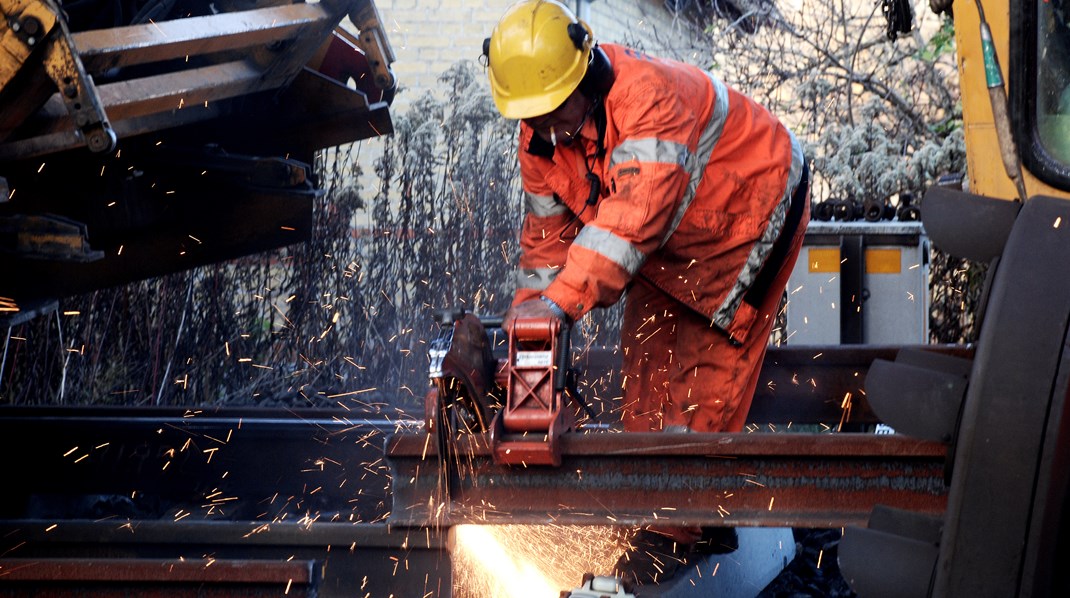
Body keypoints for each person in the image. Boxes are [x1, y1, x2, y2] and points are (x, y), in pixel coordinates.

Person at [484, 0, 810, 587]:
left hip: (750, 210)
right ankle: (652, 512)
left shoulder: (651, 100)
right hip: (668, 241)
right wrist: (525, 332)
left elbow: (628, 227)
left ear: (587, 77)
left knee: (702, 379)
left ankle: (686, 526)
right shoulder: (539, 140)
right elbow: (545, 249)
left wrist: (558, 306)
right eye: (533, 119)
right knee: (647, 368)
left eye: (557, 113)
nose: (548, 132)